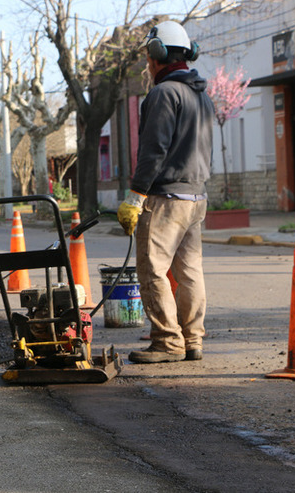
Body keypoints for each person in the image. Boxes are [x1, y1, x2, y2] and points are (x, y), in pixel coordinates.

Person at [117, 20, 214, 364]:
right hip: (196, 197)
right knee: (189, 271)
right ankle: (193, 339)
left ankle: (167, 341)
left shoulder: (162, 94)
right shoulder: (201, 95)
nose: (147, 63)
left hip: (165, 200)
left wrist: (136, 195)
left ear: (157, 55)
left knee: (153, 269)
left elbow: (152, 150)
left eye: (148, 56)